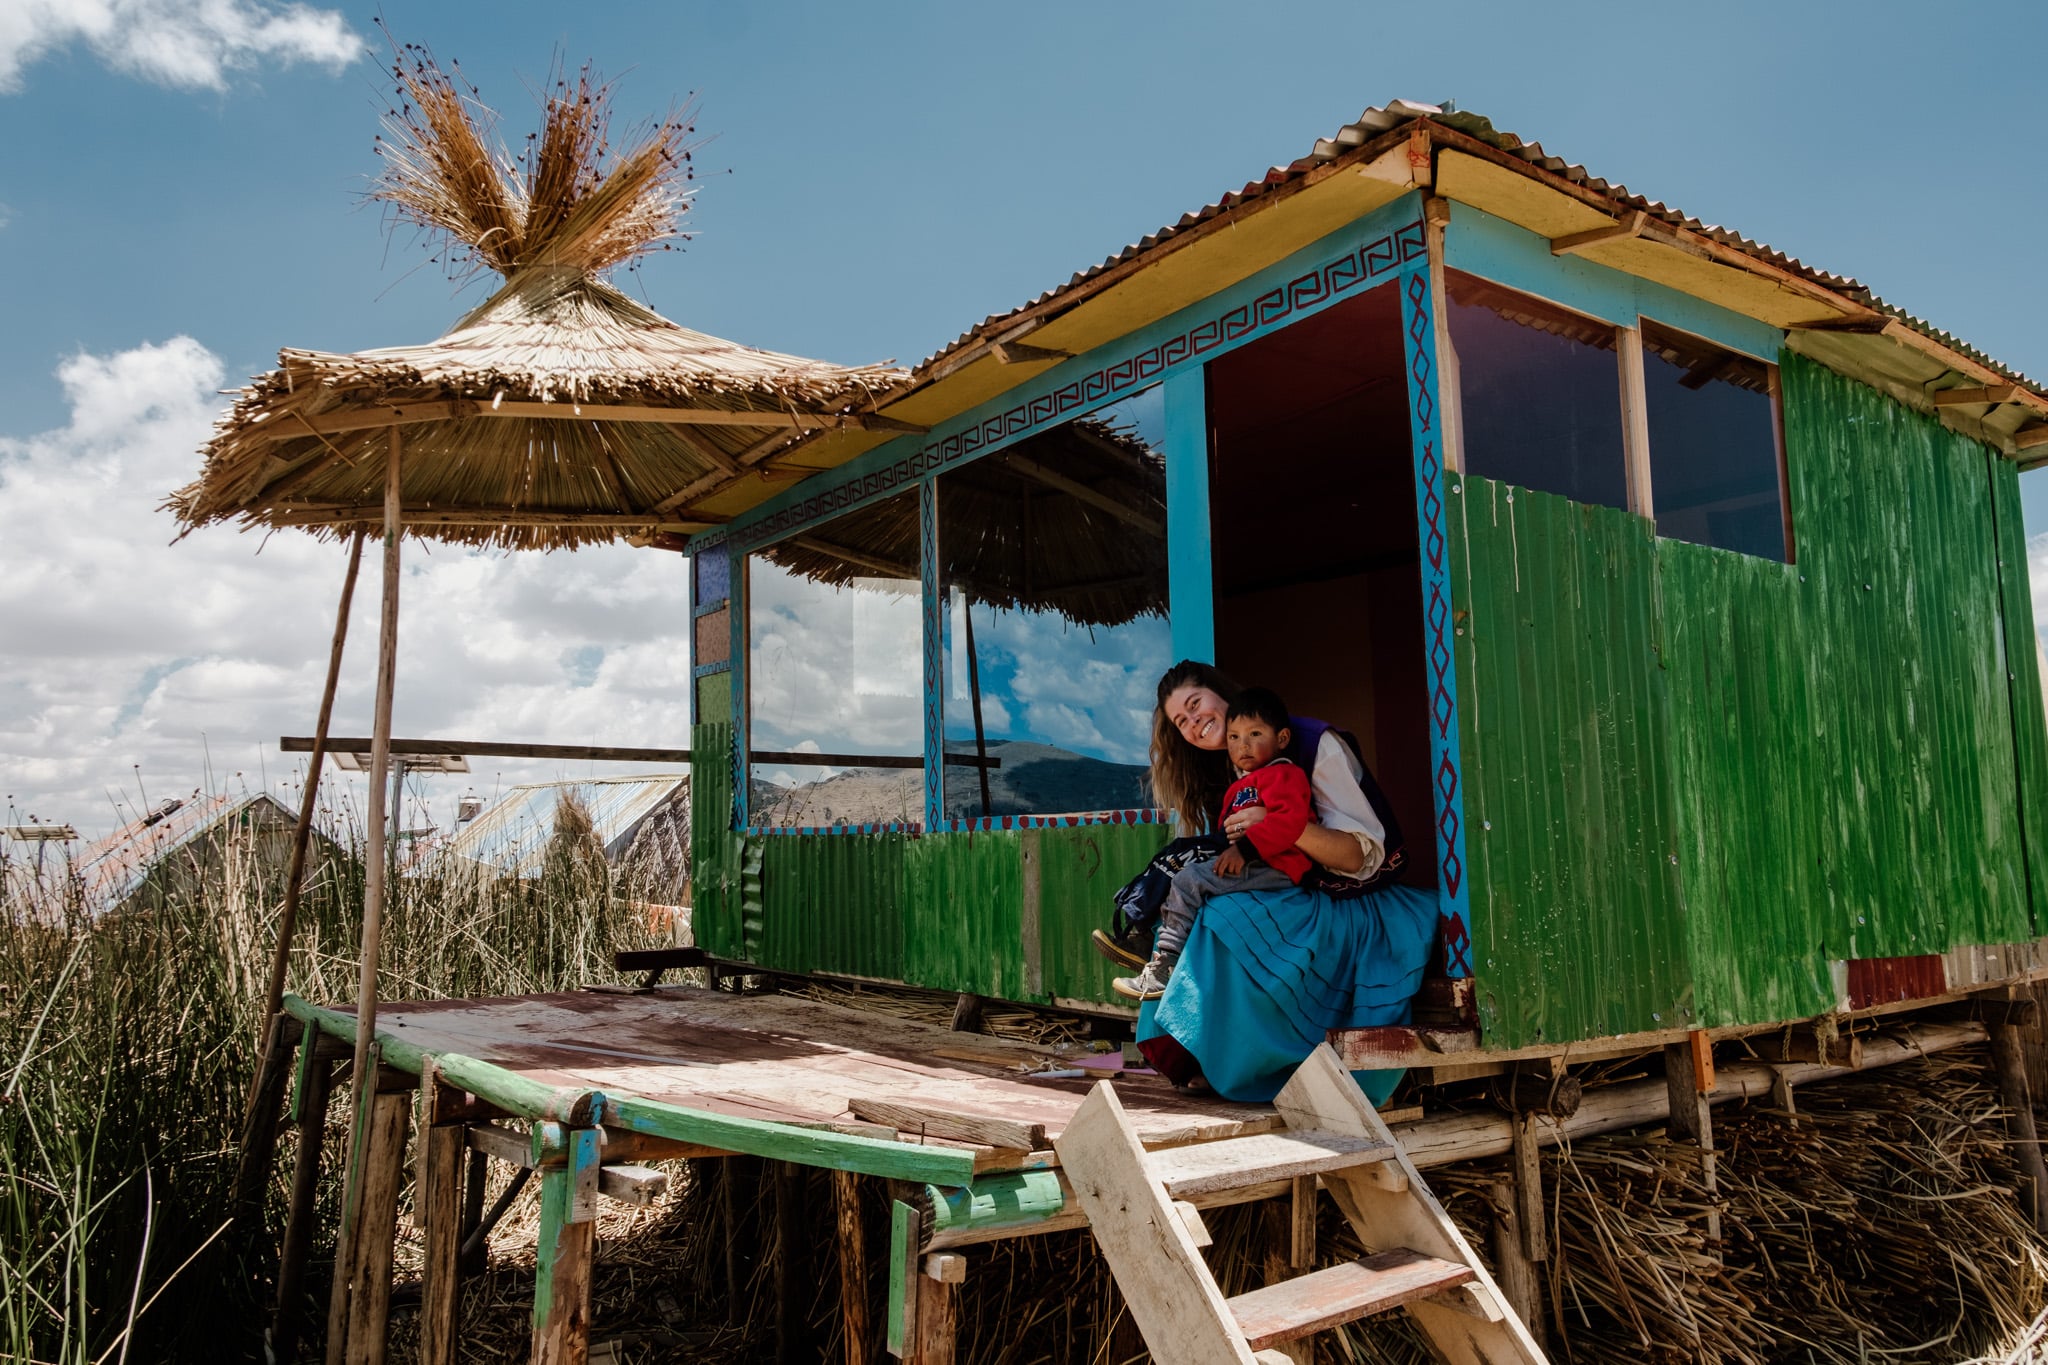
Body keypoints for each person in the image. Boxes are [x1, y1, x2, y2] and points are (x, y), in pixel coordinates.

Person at [1130, 660, 1436, 1105]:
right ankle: (1198, 1051)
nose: (1193, 722)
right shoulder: (1230, 765)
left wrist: (1276, 825)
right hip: (1281, 879)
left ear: (1220, 692)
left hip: (1340, 891)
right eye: (1181, 721)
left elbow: (1357, 857)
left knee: (1225, 919)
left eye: (1195, 704)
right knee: (1191, 900)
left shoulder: (1314, 744)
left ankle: (1257, 1065)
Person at [1112, 687, 1314, 1000]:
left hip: (1278, 864)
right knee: (1177, 865)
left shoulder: (1284, 775)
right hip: (1256, 861)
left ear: (1282, 738)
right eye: (1234, 737)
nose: (1243, 745)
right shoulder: (1241, 785)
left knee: (1190, 879)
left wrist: (1244, 850)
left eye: (1255, 734)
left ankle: (1166, 965)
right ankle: (1146, 938)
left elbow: (1292, 821)